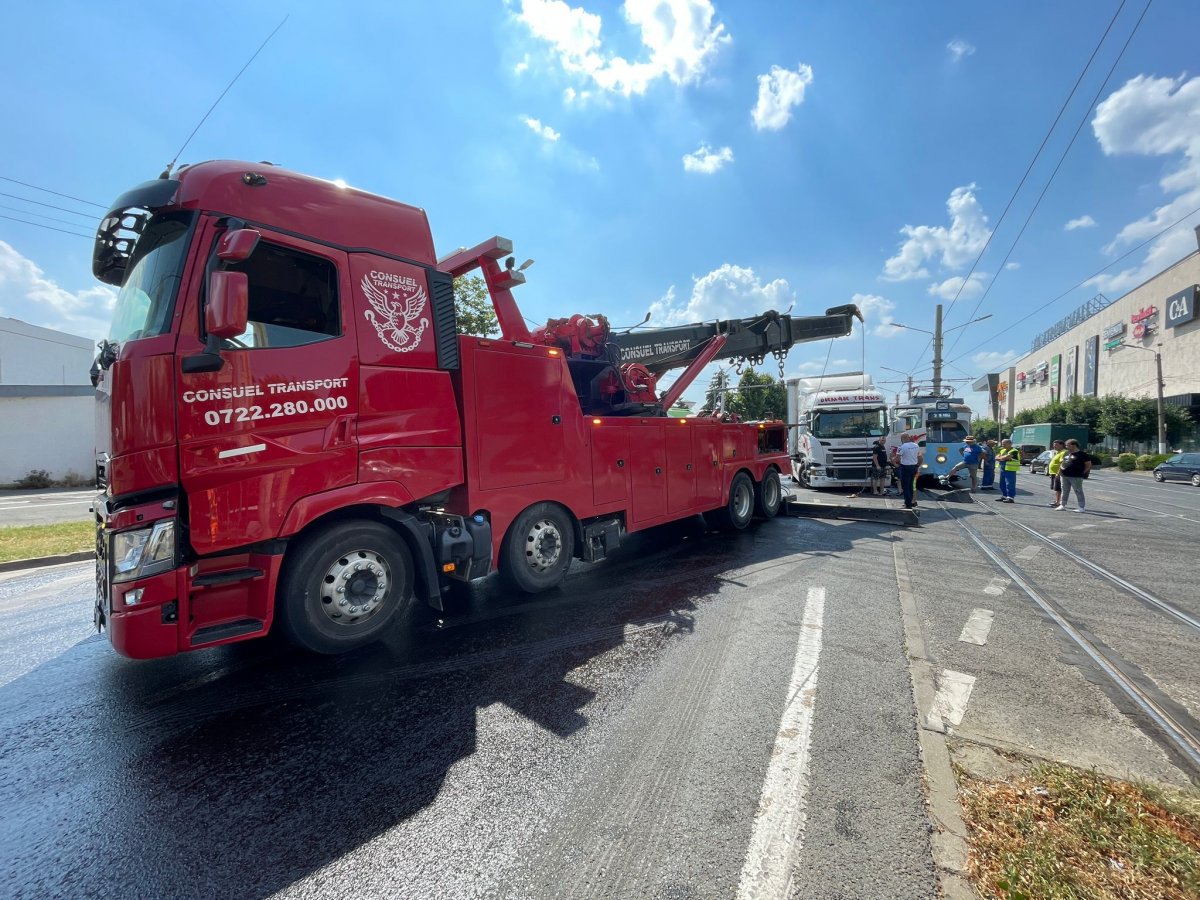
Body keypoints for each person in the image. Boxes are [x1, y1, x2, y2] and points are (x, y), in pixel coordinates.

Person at [1056, 439, 1092, 512]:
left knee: (1078, 491)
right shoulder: (1067, 453)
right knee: (1064, 490)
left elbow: (1088, 465)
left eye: (1068, 445)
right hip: (1064, 475)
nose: (1066, 447)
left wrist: (1082, 472)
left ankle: (1081, 507)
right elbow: (1062, 463)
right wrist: (1059, 473)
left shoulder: (1082, 454)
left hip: (1076, 476)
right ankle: (1062, 505)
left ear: (1074, 445)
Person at [892, 432, 922, 509]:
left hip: (905, 467)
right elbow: (919, 456)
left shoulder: (902, 447)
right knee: (911, 485)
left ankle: (907, 504)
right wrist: (918, 465)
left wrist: (892, 459)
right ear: (908, 437)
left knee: (905, 486)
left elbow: (898, 458)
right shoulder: (916, 445)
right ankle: (911, 501)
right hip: (914, 467)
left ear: (902, 439)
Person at [995, 438, 1020, 503]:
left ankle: (1010, 497)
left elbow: (1006, 457)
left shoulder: (1014, 451)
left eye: (1004, 444)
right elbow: (996, 457)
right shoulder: (1003, 450)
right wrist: (1001, 458)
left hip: (1010, 469)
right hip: (1003, 468)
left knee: (1010, 484)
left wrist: (1001, 458)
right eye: (1002, 444)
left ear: (1009, 444)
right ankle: (1004, 496)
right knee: (1002, 483)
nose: (1002, 445)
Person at [1046, 439, 1067, 508]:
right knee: (1056, 488)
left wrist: (1058, 473)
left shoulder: (1063, 452)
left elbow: (1062, 463)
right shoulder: (1057, 452)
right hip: (1054, 473)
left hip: (1058, 473)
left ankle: (1058, 503)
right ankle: (1057, 501)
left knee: (1058, 488)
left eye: (1056, 445)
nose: (1054, 446)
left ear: (1062, 445)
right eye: (1054, 445)